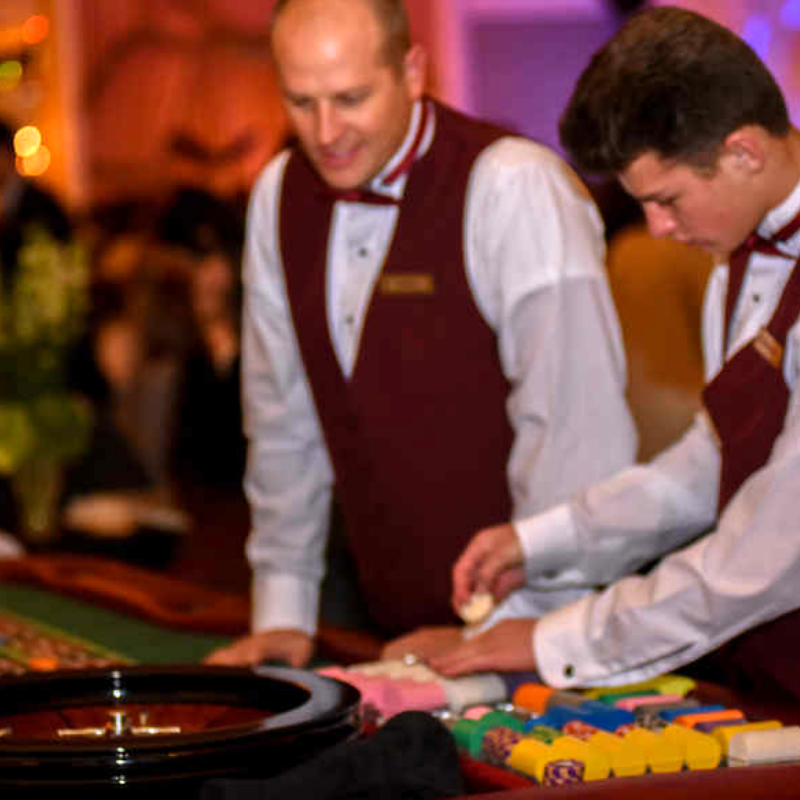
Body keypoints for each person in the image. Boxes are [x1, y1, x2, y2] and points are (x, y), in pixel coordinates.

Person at [206, 0, 636, 667]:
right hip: (390, 623)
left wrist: (518, 625)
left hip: (550, 637)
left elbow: (577, 442)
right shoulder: (276, 196)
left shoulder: (514, 185)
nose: (326, 132)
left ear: (411, 70)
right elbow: (283, 419)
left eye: (350, 98)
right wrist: (284, 611)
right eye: (300, 101)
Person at [388, 5, 800, 702]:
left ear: (743, 152)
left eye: (667, 200)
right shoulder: (736, 258)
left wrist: (555, 638)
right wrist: (543, 541)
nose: (659, 230)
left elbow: (768, 556)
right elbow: (708, 466)